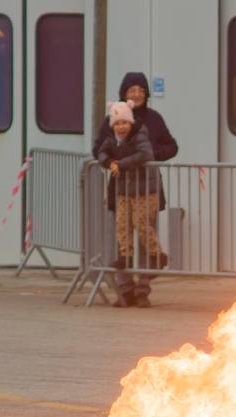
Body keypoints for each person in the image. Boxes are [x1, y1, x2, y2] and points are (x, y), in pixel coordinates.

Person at [92, 72, 177, 305]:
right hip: (120, 187)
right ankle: (124, 289)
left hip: (148, 187)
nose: (137, 94)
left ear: (146, 94)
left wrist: (147, 158)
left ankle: (143, 290)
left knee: (145, 235)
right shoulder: (112, 117)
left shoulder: (154, 119)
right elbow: (99, 148)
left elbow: (172, 146)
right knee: (121, 236)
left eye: (141, 90)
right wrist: (109, 161)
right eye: (132, 90)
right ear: (124, 94)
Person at [96, 101, 164, 308]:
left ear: (131, 122)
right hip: (123, 192)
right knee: (122, 224)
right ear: (112, 125)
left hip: (143, 191)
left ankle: (157, 255)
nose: (122, 127)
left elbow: (146, 155)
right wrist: (108, 162)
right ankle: (125, 256)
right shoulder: (111, 139)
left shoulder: (140, 135)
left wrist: (121, 164)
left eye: (125, 122)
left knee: (142, 223)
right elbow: (100, 152)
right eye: (118, 123)